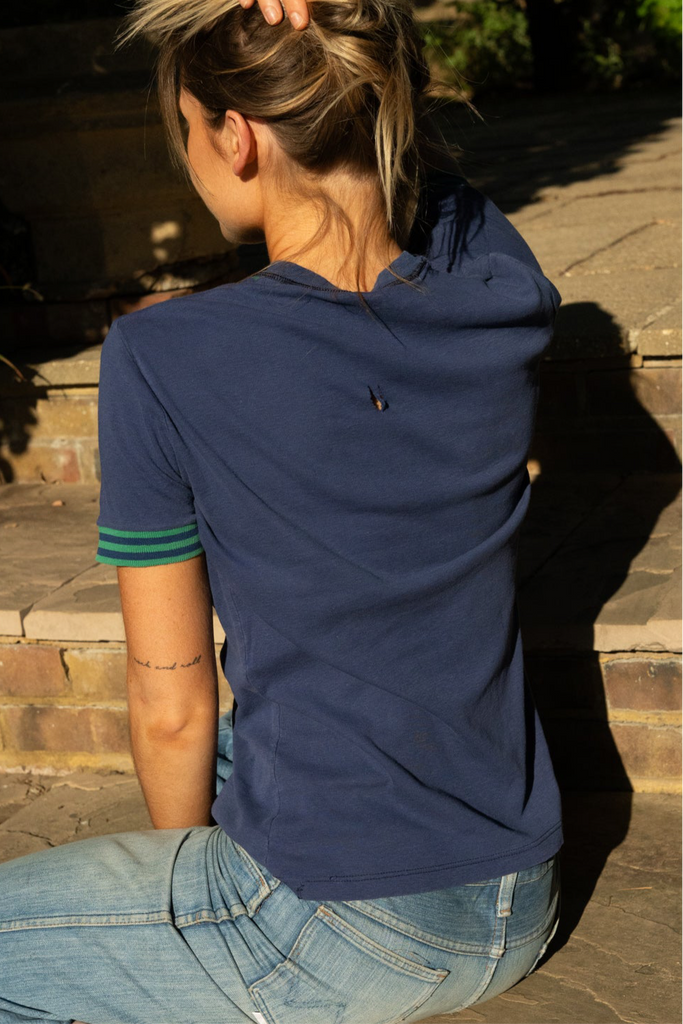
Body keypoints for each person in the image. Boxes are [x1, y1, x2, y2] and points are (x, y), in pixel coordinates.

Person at [0, 1, 564, 1021]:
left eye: (186, 128)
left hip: (340, 923)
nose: (187, 158)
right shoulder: (500, 294)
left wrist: (183, 899)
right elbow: (438, 193)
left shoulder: (162, 358)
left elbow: (171, 703)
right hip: (517, 893)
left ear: (237, 136)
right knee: (245, 738)